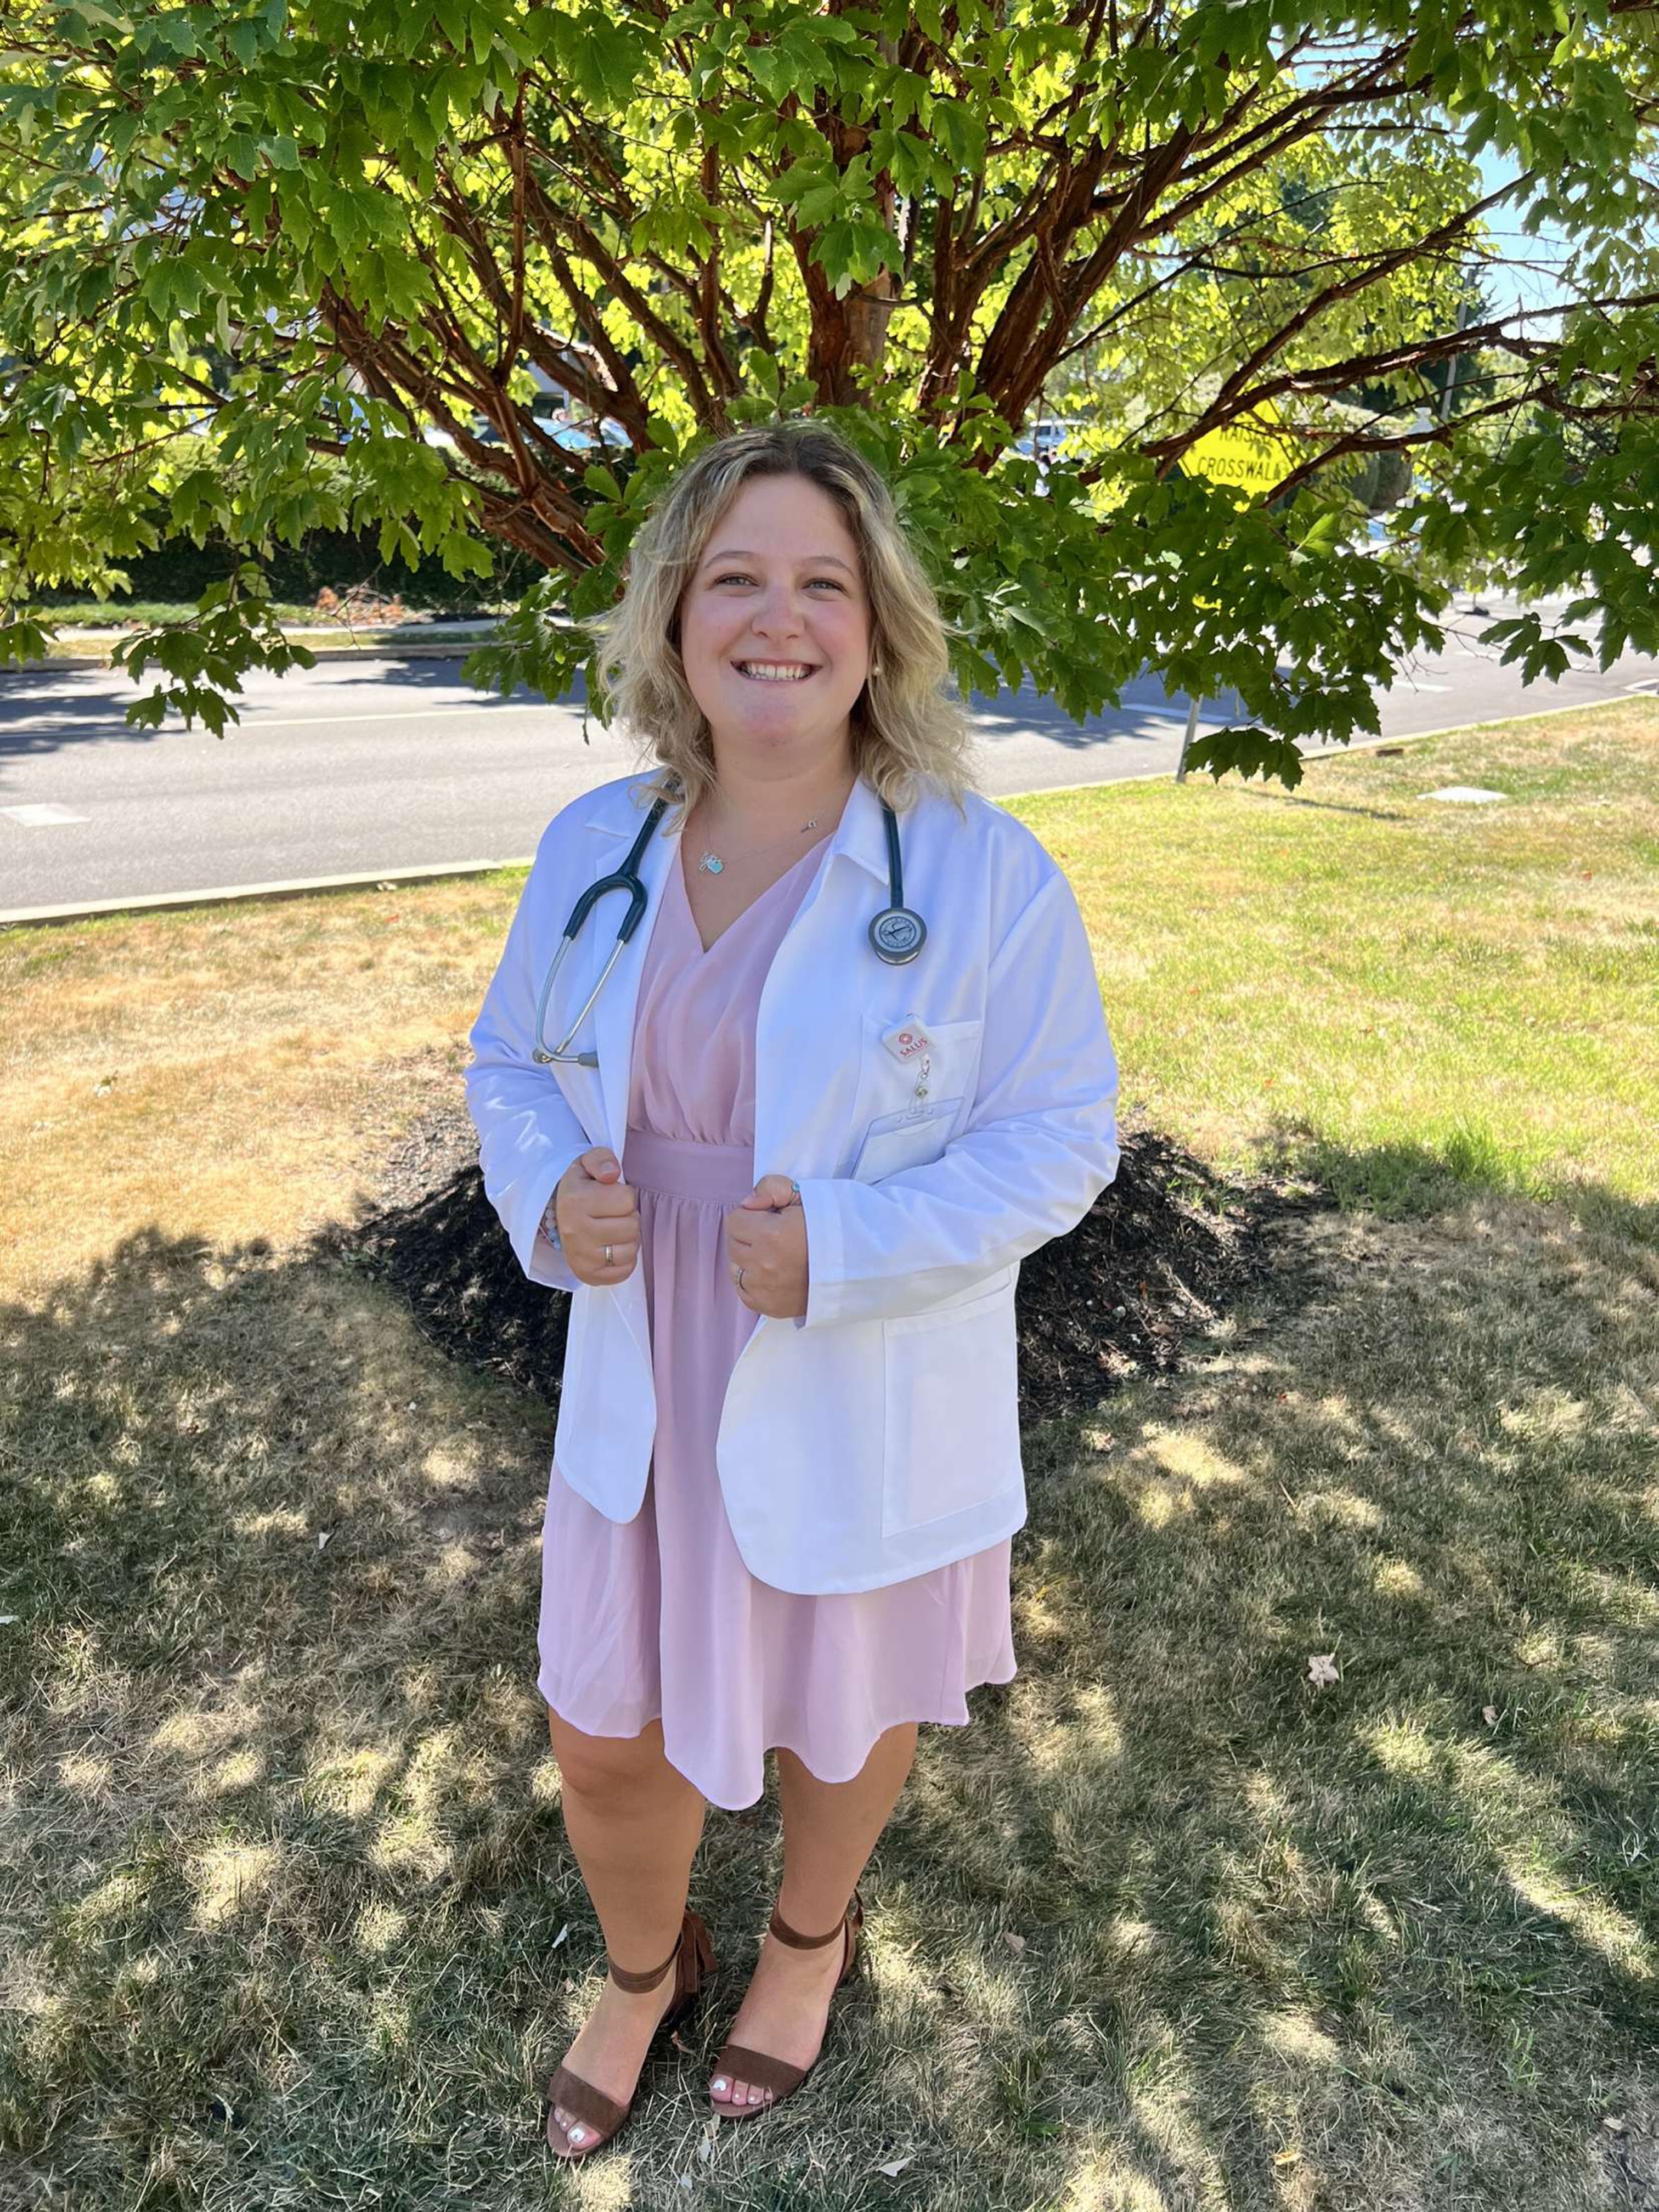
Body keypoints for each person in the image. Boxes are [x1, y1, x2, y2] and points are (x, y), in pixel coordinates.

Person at [464, 419, 1120, 2160]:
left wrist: (850, 1246)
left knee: (844, 1698)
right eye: (735, 578)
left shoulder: (977, 872)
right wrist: (546, 1187)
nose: (780, 618)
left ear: (880, 628)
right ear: (675, 619)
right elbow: (510, 1062)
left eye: (823, 582)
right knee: (606, 1727)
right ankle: (639, 1966)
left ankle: (805, 1948)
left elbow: (1063, 1136)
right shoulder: (596, 845)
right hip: (647, 1347)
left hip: (855, 1354)